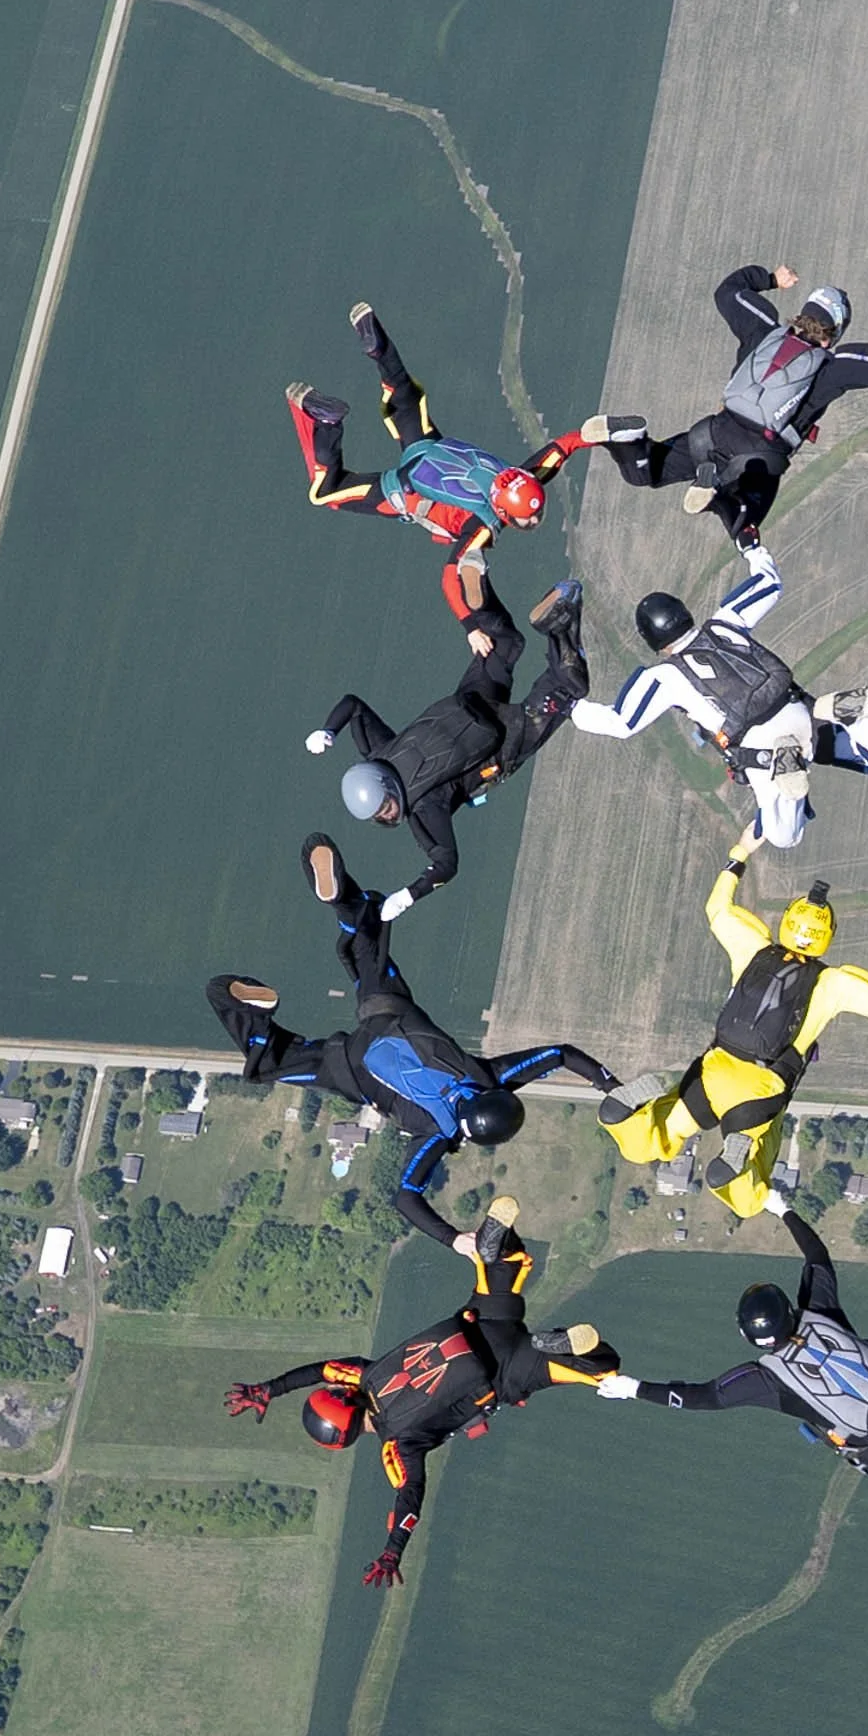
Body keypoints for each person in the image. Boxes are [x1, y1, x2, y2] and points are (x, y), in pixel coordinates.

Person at [205, 835, 616, 1248]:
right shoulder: (437, 1133)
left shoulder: (491, 1078)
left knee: (369, 939)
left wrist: (610, 1086)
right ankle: (237, 1003)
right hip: (350, 1067)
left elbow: (559, 1055)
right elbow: (406, 1197)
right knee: (268, 1064)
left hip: (388, 1013)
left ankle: (344, 904)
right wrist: (455, 1239)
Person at [596, 1205, 868, 1558]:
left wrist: (635, 1388)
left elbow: (703, 1397)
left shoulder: (764, 1378)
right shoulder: (820, 1312)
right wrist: (783, 1209)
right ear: (789, 1309)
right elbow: (818, 1257)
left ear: (749, 1335)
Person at [601, 827, 868, 1216]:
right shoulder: (833, 983)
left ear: (786, 922)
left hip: (714, 1070)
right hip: (760, 1086)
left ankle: (625, 1119)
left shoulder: (753, 948)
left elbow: (717, 910)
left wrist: (740, 852)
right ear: (828, 937)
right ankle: (729, 1176)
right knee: (752, 1177)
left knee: (657, 1137)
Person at [225, 1197, 619, 1584]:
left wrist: (392, 1550)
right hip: (482, 1320)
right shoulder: (364, 1375)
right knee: (507, 1264)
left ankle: (574, 1349)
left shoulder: (398, 1446)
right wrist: (267, 1389)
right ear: (339, 1394)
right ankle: (497, 1245)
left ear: (344, 1438)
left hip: (506, 1371)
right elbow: (318, 1370)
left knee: (603, 1371)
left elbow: (410, 1498)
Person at [559, 266, 868, 549]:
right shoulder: (832, 364)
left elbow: (728, 290)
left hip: (712, 431)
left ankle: (629, 441)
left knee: (645, 474)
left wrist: (771, 280)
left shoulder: (763, 328)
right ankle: (715, 494)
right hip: (759, 454)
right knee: (745, 522)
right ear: (835, 332)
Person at [567, 543, 868, 850]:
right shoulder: (725, 623)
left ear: (651, 639)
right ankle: (853, 715)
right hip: (801, 713)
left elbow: (621, 722)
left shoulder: (665, 676)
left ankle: (788, 768)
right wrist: (752, 547)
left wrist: (569, 707)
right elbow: (769, 583)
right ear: (684, 613)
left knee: (785, 836)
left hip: (761, 748)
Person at [304, 581, 589, 919]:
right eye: (380, 814)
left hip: (502, 747)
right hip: (471, 700)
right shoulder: (380, 753)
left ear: (385, 787)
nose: (388, 814)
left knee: (568, 688)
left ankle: (559, 625)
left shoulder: (425, 809)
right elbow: (353, 706)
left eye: (385, 806)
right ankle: (480, 598)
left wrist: (409, 896)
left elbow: (446, 865)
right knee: (504, 644)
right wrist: (328, 730)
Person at [286, 303, 567, 627]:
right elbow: (452, 576)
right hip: (405, 492)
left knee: (403, 394)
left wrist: (600, 435)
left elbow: (561, 448)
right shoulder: (484, 523)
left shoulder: (514, 476)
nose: (531, 519)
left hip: (429, 449)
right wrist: (470, 622)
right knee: (325, 492)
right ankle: (328, 423)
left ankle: (375, 339)